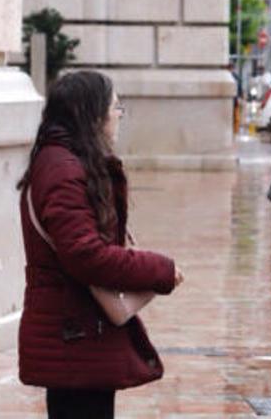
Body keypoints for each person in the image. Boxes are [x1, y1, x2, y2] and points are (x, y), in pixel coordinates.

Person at [16, 71, 185, 419]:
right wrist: (160, 270)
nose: (118, 115)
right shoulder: (63, 169)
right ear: (92, 114)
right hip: (74, 335)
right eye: (115, 107)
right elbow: (85, 256)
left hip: (76, 334)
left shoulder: (62, 162)